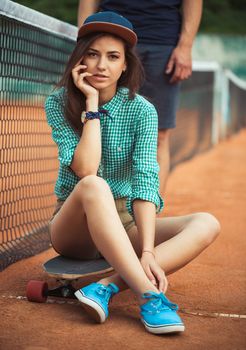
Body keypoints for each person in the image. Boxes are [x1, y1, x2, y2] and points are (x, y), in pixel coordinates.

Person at [45, 11, 220, 335]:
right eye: (93, 54)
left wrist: (150, 250)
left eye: (113, 57)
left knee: (207, 223)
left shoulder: (143, 110)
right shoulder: (59, 102)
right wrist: (92, 105)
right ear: (79, 58)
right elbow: (86, 169)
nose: (101, 65)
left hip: (123, 221)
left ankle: (106, 287)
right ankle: (149, 295)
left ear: (125, 65)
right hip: (74, 227)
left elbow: (145, 180)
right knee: (94, 185)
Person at [77, 0, 203, 200]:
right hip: (111, 36)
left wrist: (185, 45)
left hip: (161, 41)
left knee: (159, 136)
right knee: (100, 126)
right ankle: (104, 212)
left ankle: (148, 216)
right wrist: (83, 44)